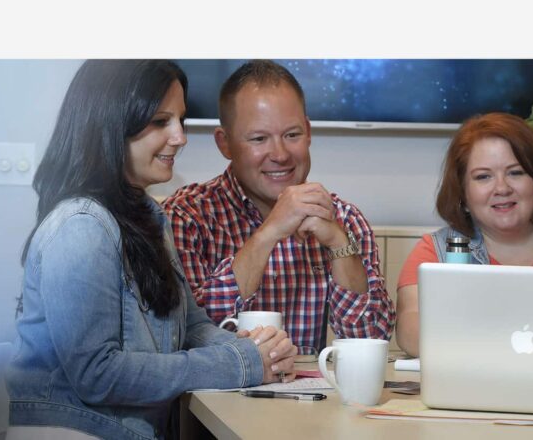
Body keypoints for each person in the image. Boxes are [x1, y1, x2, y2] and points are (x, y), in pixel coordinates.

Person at [6, 60, 296, 440]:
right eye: (161, 121)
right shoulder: (81, 225)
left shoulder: (150, 217)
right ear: (112, 124)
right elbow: (97, 375)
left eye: (180, 120)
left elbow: (192, 326)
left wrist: (259, 352)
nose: (180, 137)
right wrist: (240, 363)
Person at [163, 60, 394, 352]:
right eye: (259, 139)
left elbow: (372, 339)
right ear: (225, 144)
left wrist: (339, 244)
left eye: (292, 135)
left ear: (308, 132)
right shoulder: (186, 216)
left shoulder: (344, 219)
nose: (280, 154)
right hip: (222, 383)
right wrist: (269, 232)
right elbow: (183, 334)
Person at [394, 112, 533, 356]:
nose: (502, 188)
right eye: (483, 177)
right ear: (462, 191)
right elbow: (409, 333)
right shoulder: (434, 251)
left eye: (516, 172)